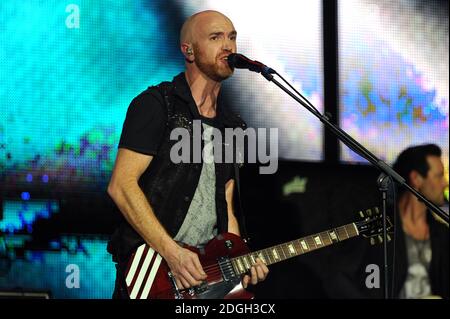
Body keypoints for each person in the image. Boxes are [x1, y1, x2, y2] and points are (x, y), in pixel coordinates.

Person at [107, 10, 268, 299]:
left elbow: (226, 206)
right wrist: (172, 252)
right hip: (155, 266)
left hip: (206, 274)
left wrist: (241, 256)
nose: (228, 46)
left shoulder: (232, 126)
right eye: (215, 37)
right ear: (188, 50)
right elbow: (121, 185)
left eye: (232, 37)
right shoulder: (157, 105)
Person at [391, 144, 448, 299]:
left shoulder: (442, 233)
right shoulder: (380, 229)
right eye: (439, 176)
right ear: (416, 178)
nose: (445, 183)